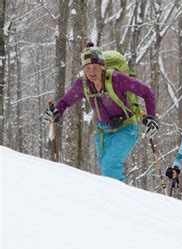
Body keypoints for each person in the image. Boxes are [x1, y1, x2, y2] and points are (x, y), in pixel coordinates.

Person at [42, 42, 158, 182]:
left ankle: (119, 201)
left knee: (110, 166)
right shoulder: (82, 84)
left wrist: (151, 117)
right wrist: (56, 111)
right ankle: (117, 200)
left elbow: (147, 93)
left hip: (127, 128)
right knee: (106, 172)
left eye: (95, 67)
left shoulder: (117, 79)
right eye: (88, 68)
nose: (92, 72)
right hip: (103, 133)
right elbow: (65, 101)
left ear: (103, 66)